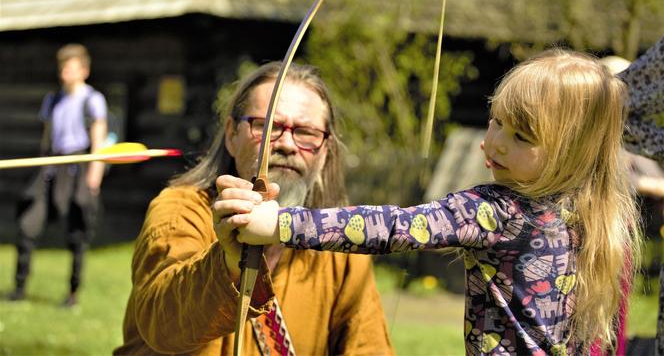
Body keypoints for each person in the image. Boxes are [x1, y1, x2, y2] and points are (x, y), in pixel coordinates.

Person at [217, 50, 643, 355]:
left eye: (521, 136)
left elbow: (391, 227)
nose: (493, 142)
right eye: (496, 121)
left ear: (573, 153)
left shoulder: (495, 211)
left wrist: (279, 223)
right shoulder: (591, 214)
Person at [113, 62, 392, 355]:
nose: (287, 144)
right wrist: (228, 264)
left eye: (306, 132)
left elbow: (368, 346)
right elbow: (162, 325)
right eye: (267, 126)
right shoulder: (180, 210)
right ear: (232, 135)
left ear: (326, 151)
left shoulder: (339, 245)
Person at [8, 43, 108, 306]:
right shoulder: (52, 100)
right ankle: (19, 288)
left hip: (80, 167)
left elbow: (99, 138)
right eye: (62, 67)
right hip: (51, 167)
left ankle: (72, 293)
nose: (65, 71)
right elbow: (46, 137)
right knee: (27, 225)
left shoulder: (93, 99)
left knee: (77, 233)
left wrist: (93, 176)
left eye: (71, 67)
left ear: (84, 71)